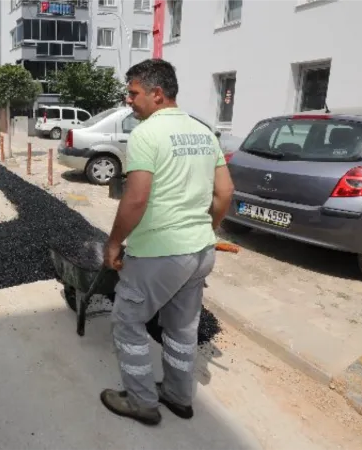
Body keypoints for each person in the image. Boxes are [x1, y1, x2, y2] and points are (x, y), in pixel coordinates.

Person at [99, 59, 234, 426]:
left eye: (134, 93)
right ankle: (178, 395)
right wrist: (207, 229)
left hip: (160, 255)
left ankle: (142, 401)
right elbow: (225, 192)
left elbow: (136, 199)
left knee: (128, 321)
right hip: (201, 252)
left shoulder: (146, 134)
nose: (129, 100)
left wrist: (114, 243)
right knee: (181, 328)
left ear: (157, 94)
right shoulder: (203, 132)